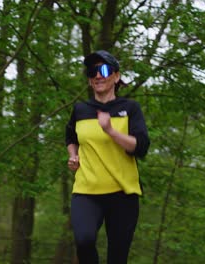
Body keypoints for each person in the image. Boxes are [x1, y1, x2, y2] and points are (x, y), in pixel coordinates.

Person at [65, 50, 150, 264]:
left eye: (103, 70)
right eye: (92, 71)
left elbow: (140, 147)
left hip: (122, 194)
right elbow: (70, 136)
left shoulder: (130, 108)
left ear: (116, 76)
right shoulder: (81, 109)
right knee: (84, 241)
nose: (98, 75)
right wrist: (73, 156)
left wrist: (111, 131)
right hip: (87, 191)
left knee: (117, 258)